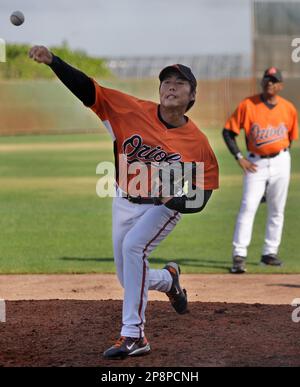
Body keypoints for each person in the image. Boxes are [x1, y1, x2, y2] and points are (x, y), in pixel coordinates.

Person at [29, 45, 219, 358]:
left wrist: (176, 201)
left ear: (192, 97)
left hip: (163, 207)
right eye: (166, 81)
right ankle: (169, 280)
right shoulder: (129, 110)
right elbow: (89, 90)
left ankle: (134, 335)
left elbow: (202, 195)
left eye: (180, 83)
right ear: (159, 90)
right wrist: (53, 62)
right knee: (127, 277)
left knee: (133, 248)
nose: (171, 86)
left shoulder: (197, 142)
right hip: (124, 199)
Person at [223, 67, 298, 274]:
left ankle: (269, 253)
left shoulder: (288, 108)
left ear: (281, 85)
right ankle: (239, 255)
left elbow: (290, 139)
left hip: (282, 161)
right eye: (267, 79)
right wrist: (240, 157)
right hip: (255, 164)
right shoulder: (248, 105)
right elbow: (228, 132)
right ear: (262, 82)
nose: (270, 83)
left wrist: (279, 156)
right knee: (248, 207)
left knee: (277, 209)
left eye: (274, 80)